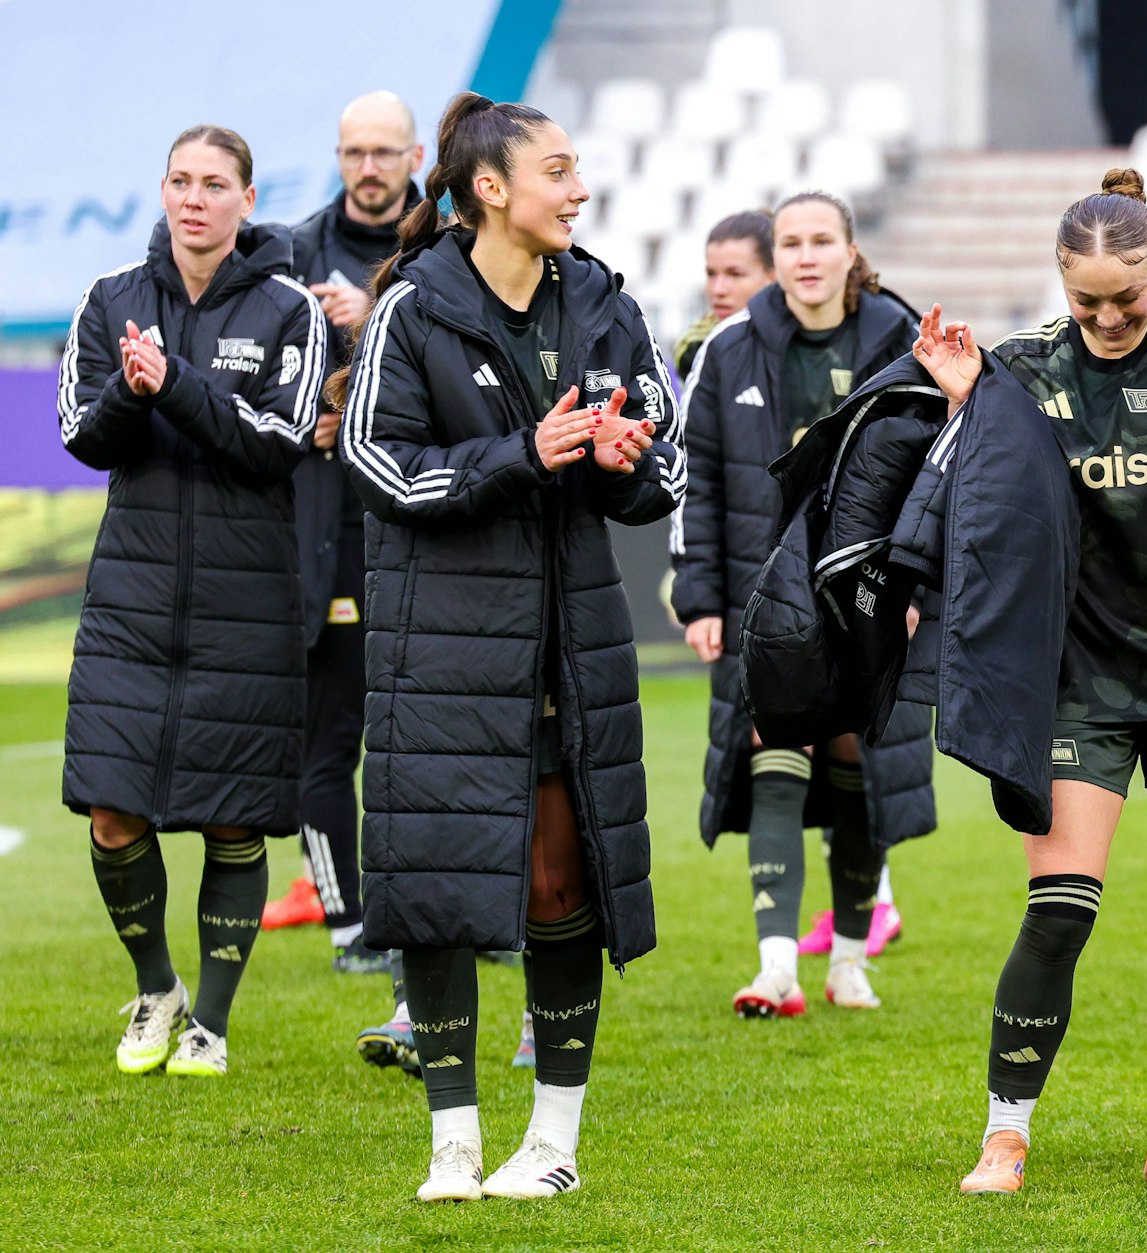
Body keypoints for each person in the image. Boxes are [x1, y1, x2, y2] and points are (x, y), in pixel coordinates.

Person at [334, 91, 683, 1202]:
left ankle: (553, 1140)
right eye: (559, 171)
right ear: (491, 189)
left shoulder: (608, 306)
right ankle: (450, 1143)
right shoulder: (414, 307)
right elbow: (378, 467)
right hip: (438, 645)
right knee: (433, 883)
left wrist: (619, 455)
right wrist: (521, 453)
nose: (578, 190)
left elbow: (660, 475)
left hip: (570, 643)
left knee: (556, 879)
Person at [912, 168, 1147, 1194]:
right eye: (1086, 302)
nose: (1108, 319)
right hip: (1071, 679)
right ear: (1058, 283)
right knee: (1059, 908)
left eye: (1129, 301)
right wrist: (970, 402)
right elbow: (982, 509)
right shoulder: (1020, 370)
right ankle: (1004, 1133)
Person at [58, 124, 324, 1077]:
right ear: (162, 191)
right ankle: (155, 986)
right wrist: (137, 392)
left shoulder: (291, 307)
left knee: (234, 815)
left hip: (247, 599)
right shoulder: (110, 299)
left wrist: (175, 383)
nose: (194, 198)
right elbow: (84, 438)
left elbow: (275, 443)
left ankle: (209, 1020)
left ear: (248, 200)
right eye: (179, 180)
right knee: (112, 813)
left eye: (215, 183)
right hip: (130, 599)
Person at [670, 190, 934, 1019]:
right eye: (791, 242)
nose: (806, 256)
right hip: (765, 593)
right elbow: (697, 480)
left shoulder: (904, 339)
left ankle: (849, 959)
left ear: (852, 250)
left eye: (823, 240)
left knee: (860, 762)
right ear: (775, 254)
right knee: (772, 750)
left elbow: (941, 477)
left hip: (871, 596)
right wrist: (700, 595)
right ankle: (776, 964)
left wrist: (918, 585)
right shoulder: (729, 349)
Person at [259, 91, 423, 974]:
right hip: (324, 537)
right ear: (338, 155)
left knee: (427, 739)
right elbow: (255, 380)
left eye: (384, 152)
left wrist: (372, 321)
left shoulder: (441, 251)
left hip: (423, 531)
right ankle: (348, 924)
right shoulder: (289, 251)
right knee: (328, 742)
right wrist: (318, 384)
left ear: (412, 158)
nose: (368, 167)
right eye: (354, 151)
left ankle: (441, 914)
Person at [671, 210, 775, 382]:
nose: (718, 290)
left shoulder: (813, 338)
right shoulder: (694, 348)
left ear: (774, 276)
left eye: (735, 274)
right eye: (711, 274)